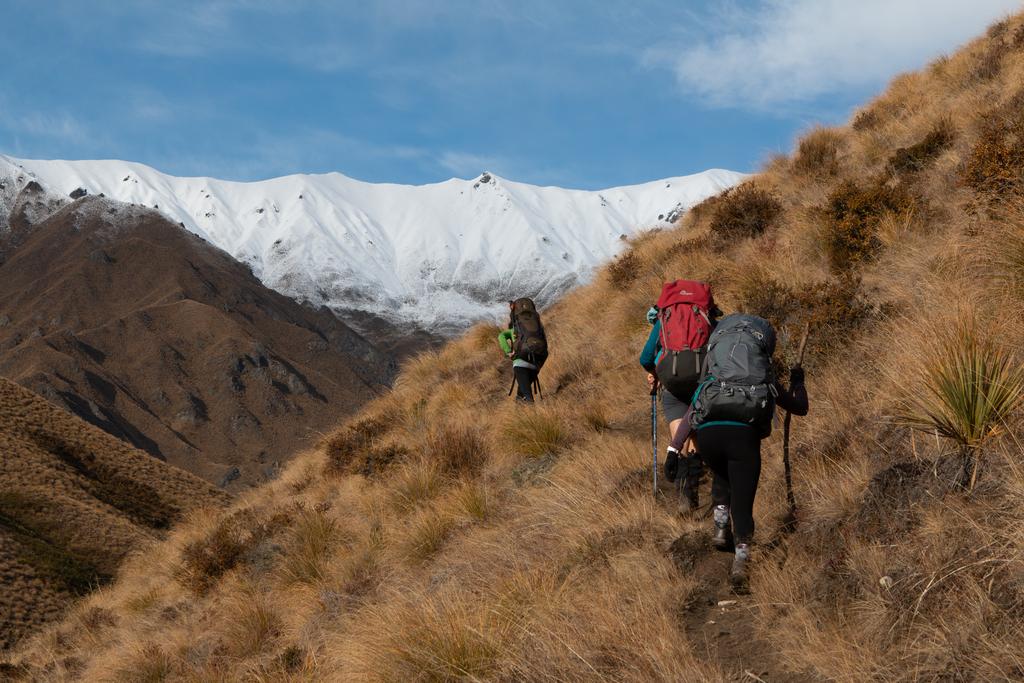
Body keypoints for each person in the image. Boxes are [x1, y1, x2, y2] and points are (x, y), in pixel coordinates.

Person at [669, 363, 808, 588]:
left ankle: (721, 525)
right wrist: (798, 383)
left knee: (721, 474)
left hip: (709, 436)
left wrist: (674, 449)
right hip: (743, 438)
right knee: (742, 502)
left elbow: (690, 414)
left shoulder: (711, 379)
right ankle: (741, 561)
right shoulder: (762, 375)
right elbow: (800, 407)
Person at [639, 287, 721, 513]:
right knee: (694, 430)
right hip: (702, 381)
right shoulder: (707, 317)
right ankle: (697, 486)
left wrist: (654, 372)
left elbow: (645, 357)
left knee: (679, 434)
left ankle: (685, 495)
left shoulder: (663, 320)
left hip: (672, 384)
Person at [498, 299, 547, 403]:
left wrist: (508, 352)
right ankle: (522, 408)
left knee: (528, 398)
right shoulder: (538, 326)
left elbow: (501, 336)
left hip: (521, 361)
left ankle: (532, 413)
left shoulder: (515, 329)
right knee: (522, 392)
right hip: (538, 361)